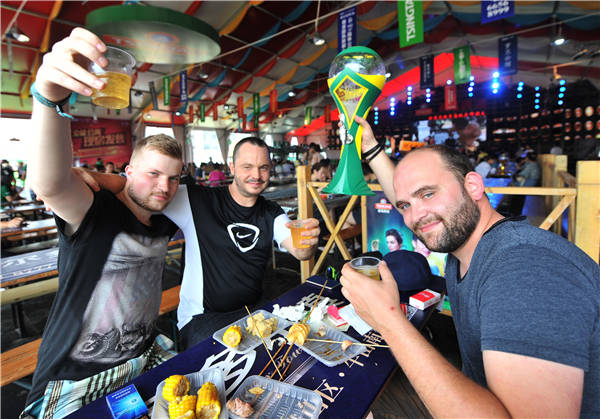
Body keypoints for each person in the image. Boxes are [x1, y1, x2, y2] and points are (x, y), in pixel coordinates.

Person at [340, 115, 600, 417]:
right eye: (405, 206)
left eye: (428, 193)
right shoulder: (466, 246)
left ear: (473, 186)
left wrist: (387, 319)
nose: (417, 216)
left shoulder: (524, 271)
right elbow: (410, 201)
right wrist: (371, 148)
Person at [22, 28, 183, 418]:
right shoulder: (96, 211)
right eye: (152, 174)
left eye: (173, 178)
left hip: (141, 366)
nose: (164, 187)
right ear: (128, 170)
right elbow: (51, 184)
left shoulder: (165, 220)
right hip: (73, 381)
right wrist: (49, 96)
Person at [85, 137, 321, 350]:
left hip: (253, 312)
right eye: (247, 167)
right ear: (232, 167)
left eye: (263, 168)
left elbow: (300, 252)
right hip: (202, 319)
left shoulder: (271, 212)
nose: (256, 175)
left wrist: (307, 242)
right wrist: (92, 177)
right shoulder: (198, 200)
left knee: (287, 352)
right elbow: (138, 187)